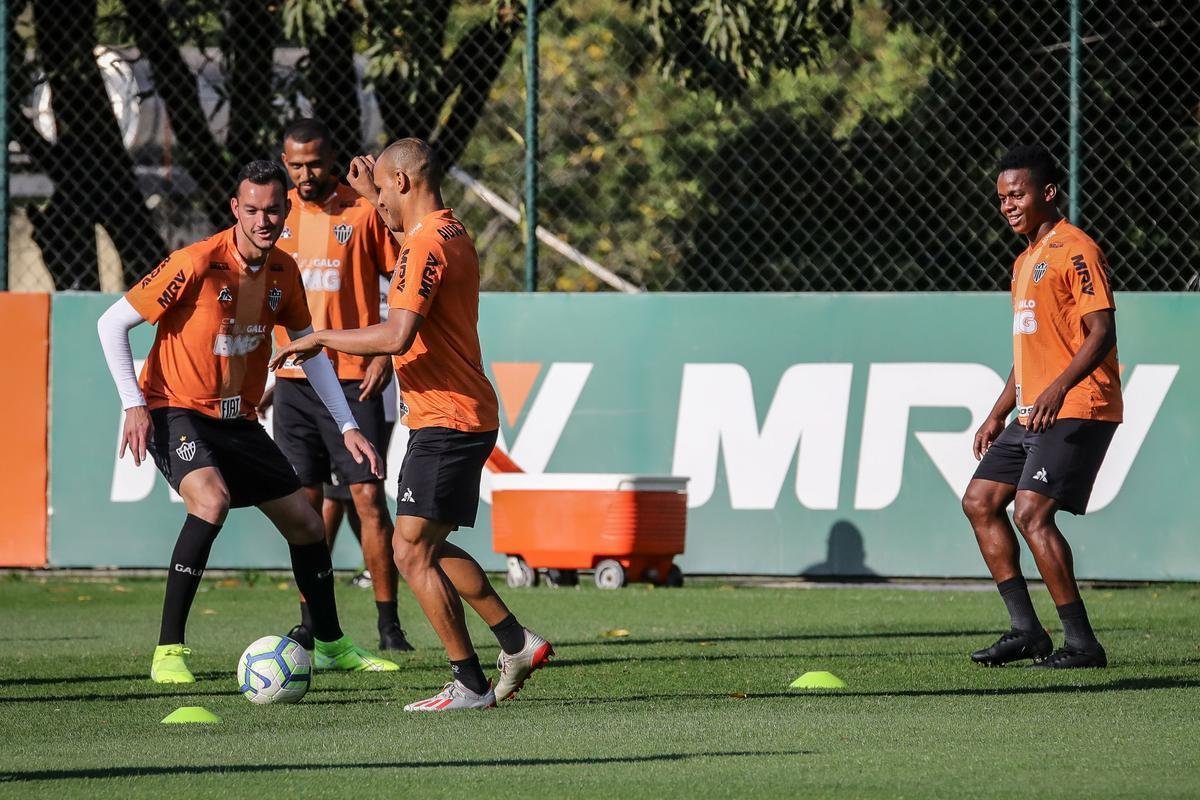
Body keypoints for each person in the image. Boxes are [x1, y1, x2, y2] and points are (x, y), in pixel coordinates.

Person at [272, 139, 553, 710]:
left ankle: (470, 682)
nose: (376, 200)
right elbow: (410, 254)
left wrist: (320, 336)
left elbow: (397, 334)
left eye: (382, 188)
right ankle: (515, 643)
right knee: (426, 543)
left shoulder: (424, 246)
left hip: (447, 416)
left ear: (401, 182)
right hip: (456, 414)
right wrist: (373, 198)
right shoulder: (448, 231)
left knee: (409, 552)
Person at [97, 159, 398, 683]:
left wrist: (348, 425)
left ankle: (329, 644)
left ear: (286, 211)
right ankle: (168, 652)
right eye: (252, 210)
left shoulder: (284, 271)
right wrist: (133, 404)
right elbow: (111, 323)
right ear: (235, 209)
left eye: (273, 210)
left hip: (238, 420)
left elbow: (310, 353)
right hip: (176, 409)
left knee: (307, 523)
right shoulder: (195, 262)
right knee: (210, 501)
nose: (263, 221)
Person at [962, 145, 1122, 669]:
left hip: (1079, 404)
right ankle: (1027, 632)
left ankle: (1082, 644)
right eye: (1001, 198)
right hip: (1034, 410)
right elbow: (1029, 351)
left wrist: (1056, 389)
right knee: (980, 502)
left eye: (1017, 195)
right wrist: (997, 412)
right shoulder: (1023, 260)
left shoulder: (1077, 249)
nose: (1007, 206)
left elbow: (1101, 332)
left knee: (1031, 514)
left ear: (1048, 193)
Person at [272, 118, 411, 652]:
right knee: (303, 508)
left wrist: (386, 353)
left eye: (314, 164)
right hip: (293, 381)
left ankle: (389, 625)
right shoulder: (275, 214)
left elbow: (404, 279)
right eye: (296, 165)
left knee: (368, 498)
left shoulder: (362, 210)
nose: (306, 174)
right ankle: (311, 625)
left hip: (354, 379)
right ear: (284, 163)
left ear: (332, 160)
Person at [321, 272, 402, 592]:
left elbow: (400, 332)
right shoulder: (344, 273)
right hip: (345, 397)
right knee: (347, 495)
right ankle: (374, 566)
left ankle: (316, 582)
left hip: (371, 400)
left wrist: (384, 358)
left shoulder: (397, 276)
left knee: (350, 494)